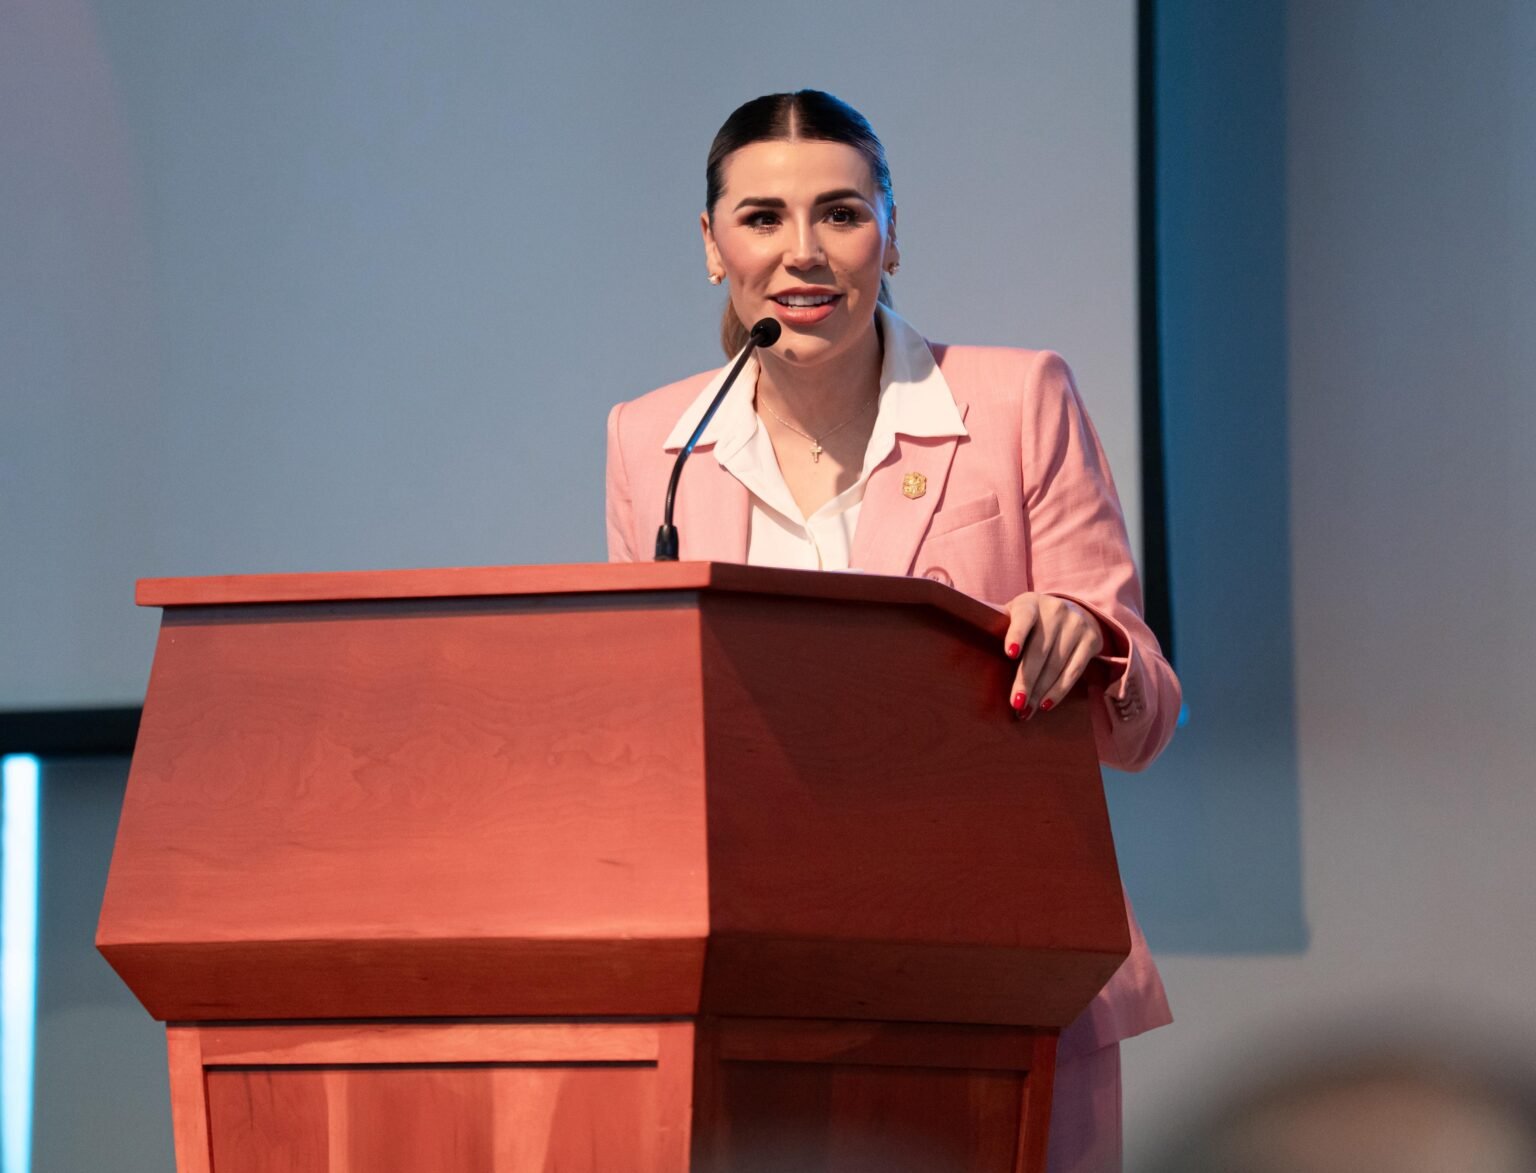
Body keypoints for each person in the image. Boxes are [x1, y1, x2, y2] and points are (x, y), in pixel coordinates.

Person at [604, 89, 1181, 1173]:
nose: (804, 252)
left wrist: (1087, 638)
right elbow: (649, 743)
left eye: (841, 213)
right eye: (764, 218)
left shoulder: (1016, 401)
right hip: (757, 983)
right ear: (713, 245)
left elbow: (1142, 720)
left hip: (1003, 970)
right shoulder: (655, 445)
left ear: (891, 234)